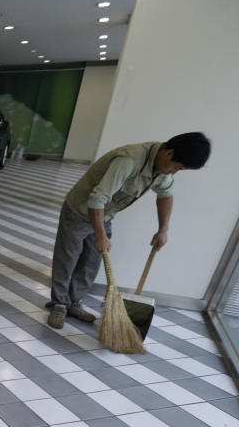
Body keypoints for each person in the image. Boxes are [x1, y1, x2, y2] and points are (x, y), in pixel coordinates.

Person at [47, 132, 211, 329]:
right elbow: (97, 199)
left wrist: (163, 229)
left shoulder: (161, 170)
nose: (174, 172)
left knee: (91, 263)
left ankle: (74, 303)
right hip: (79, 212)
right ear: (169, 153)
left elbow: (166, 195)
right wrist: (100, 235)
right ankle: (59, 304)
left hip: (104, 215)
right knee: (67, 259)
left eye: (180, 170)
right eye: (177, 167)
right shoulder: (129, 160)